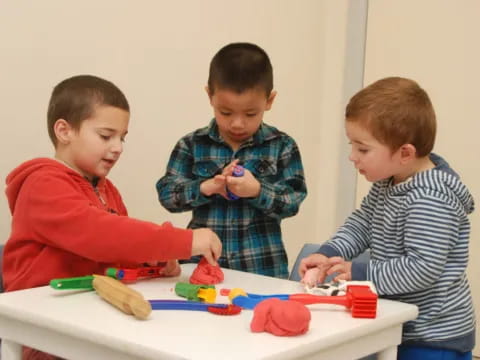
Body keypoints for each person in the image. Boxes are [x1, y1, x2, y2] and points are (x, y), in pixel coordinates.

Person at [299, 77, 475, 359]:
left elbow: (422, 268)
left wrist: (359, 274)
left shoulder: (430, 198)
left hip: (433, 337)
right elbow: (361, 225)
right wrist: (329, 252)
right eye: (351, 145)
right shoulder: (389, 183)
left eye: (363, 149)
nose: (352, 157)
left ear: (405, 153)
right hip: (398, 323)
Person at [3, 74, 222, 294]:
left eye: (122, 138)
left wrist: (149, 259)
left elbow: (116, 250)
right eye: (106, 136)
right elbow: (99, 234)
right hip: (35, 310)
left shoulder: (107, 189)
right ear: (64, 131)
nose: (118, 147)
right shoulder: (42, 185)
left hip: (83, 303)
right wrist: (182, 241)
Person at [156, 43, 307, 278]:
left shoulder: (282, 145)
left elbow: (293, 202)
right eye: (226, 113)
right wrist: (206, 187)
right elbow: (168, 195)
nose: (237, 123)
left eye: (250, 114)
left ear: (269, 101)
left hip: (262, 271)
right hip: (201, 269)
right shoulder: (192, 144)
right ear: (210, 96)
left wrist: (257, 190)